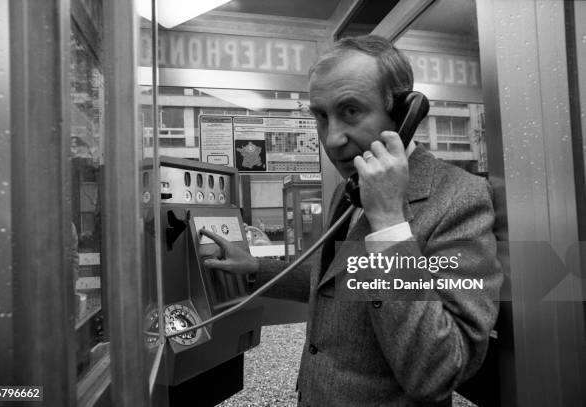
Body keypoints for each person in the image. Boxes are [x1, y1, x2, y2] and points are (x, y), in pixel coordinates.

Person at [200, 35, 502, 406]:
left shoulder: (460, 198)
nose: (333, 139)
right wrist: (253, 268)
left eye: (351, 111)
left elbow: (440, 369)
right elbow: (336, 282)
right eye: (321, 116)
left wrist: (389, 222)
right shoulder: (349, 190)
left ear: (404, 112)